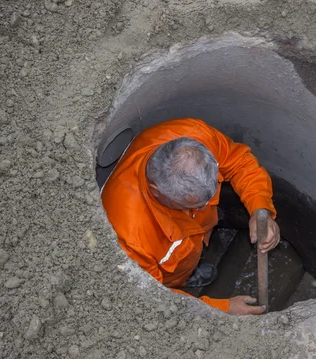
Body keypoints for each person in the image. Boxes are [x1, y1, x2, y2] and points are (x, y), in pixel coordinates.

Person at [101, 118, 280, 315]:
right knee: (173, 283)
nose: (205, 207)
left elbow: (240, 163)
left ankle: (191, 272)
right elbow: (152, 296)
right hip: (166, 275)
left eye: (208, 199)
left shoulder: (195, 135)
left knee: (189, 258)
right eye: (194, 205)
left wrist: (260, 209)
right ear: (157, 191)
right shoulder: (129, 235)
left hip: (194, 241)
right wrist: (223, 308)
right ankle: (183, 281)